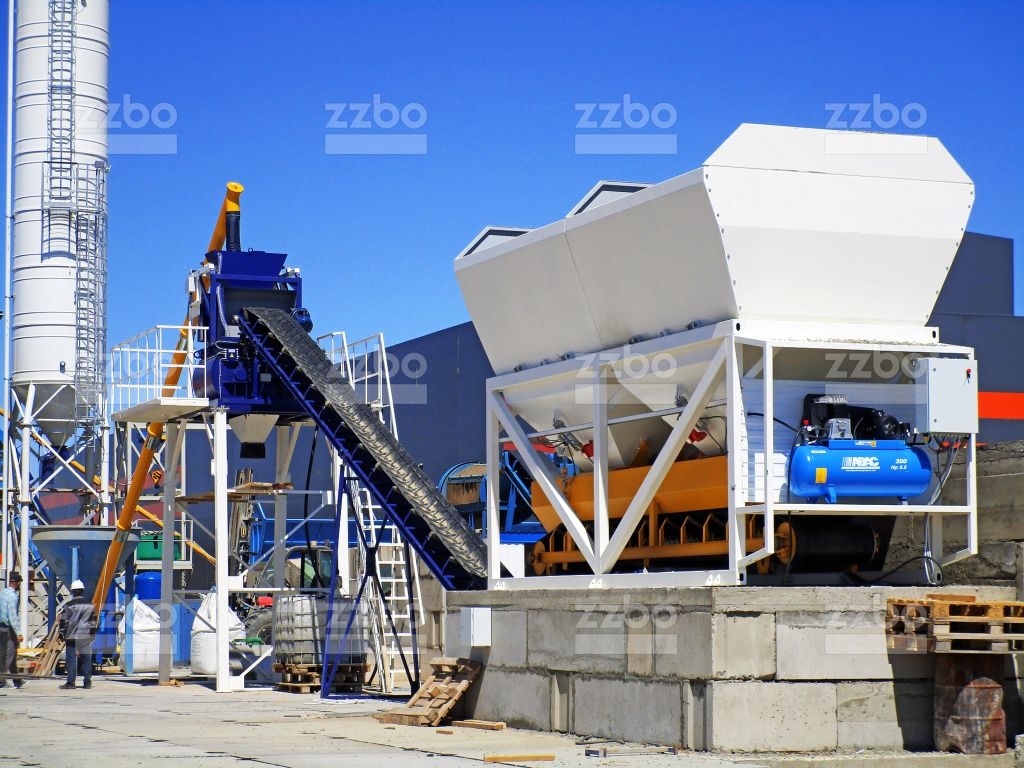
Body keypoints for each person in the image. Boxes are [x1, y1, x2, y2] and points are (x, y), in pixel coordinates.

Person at [58, 580, 97, 690]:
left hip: (71, 636)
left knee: (71, 659)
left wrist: (61, 633)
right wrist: (92, 634)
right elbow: (93, 621)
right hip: (85, 635)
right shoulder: (90, 605)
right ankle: (87, 682)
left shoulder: (69, 605)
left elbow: (64, 621)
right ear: (83, 591)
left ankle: (71, 683)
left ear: (72, 591)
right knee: (86, 659)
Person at [0, 571, 25, 689]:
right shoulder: (12, 596)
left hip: (1, 627)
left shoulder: (3, 593)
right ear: (17, 583)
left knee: (12, 655)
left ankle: (17, 680)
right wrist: (18, 633)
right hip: (8, 629)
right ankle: (1, 680)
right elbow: (12, 616)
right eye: (20, 583)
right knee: (8, 655)